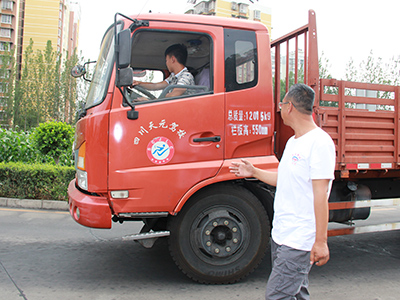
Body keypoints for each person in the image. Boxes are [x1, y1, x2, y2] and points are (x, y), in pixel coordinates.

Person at [229, 83, 336, 300]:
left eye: (281, 104)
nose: (279, 109)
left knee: (277, 296)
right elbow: (285, 180)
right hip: (282, 234)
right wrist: (253, 171)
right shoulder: (293, 142)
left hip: (299, 239)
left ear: (289, 107)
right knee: (297, 293)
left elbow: (320, 195)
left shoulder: (320, 143)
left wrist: (321, 241)